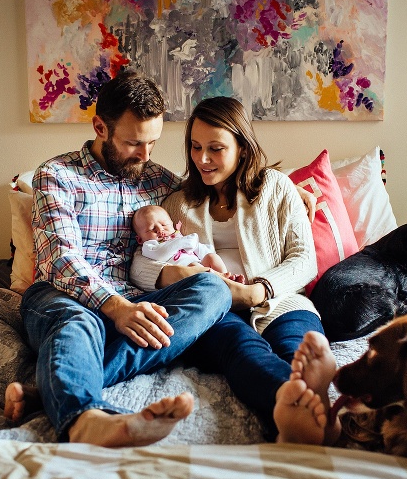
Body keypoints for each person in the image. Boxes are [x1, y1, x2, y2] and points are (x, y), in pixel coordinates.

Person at [5, 72, 234, 447]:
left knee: (212, 290)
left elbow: (223, 180)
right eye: (133, 143)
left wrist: (282, 186)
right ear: (100, 126)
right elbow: (61, 262)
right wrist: (115, 307)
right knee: (78, 321)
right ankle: (85, 420)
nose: (145, 156)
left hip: (138, 300)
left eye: (153, 143)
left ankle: (48, 391)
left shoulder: (159, 179)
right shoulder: (57, 175)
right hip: (64, 297)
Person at [129, 96, 327, 438]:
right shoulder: (177, 203)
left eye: (215, 148)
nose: (201, 159)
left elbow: (303, 259)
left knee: (299, 347)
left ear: (242, 148)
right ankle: (294, 405)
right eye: (194, 146)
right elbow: (140, 262)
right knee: (242, 349)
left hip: (281, 302)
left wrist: (256, 291)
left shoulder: (278, 187)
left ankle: (302, 411)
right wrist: (170, 274)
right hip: (215, 311)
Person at [132, 204, 240, 280]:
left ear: (172, 224)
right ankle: (223, 279)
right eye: (152, 229)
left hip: (200, 265)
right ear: (140, 239)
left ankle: (226, 276)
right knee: (193, 266)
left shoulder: (178, 237)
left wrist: (204, 250)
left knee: (211, 256)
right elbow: (161, 253)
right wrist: (184, 242)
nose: (160, 230)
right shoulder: (149, 246)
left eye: (164, 225)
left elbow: (198, 247)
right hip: (183, 273)